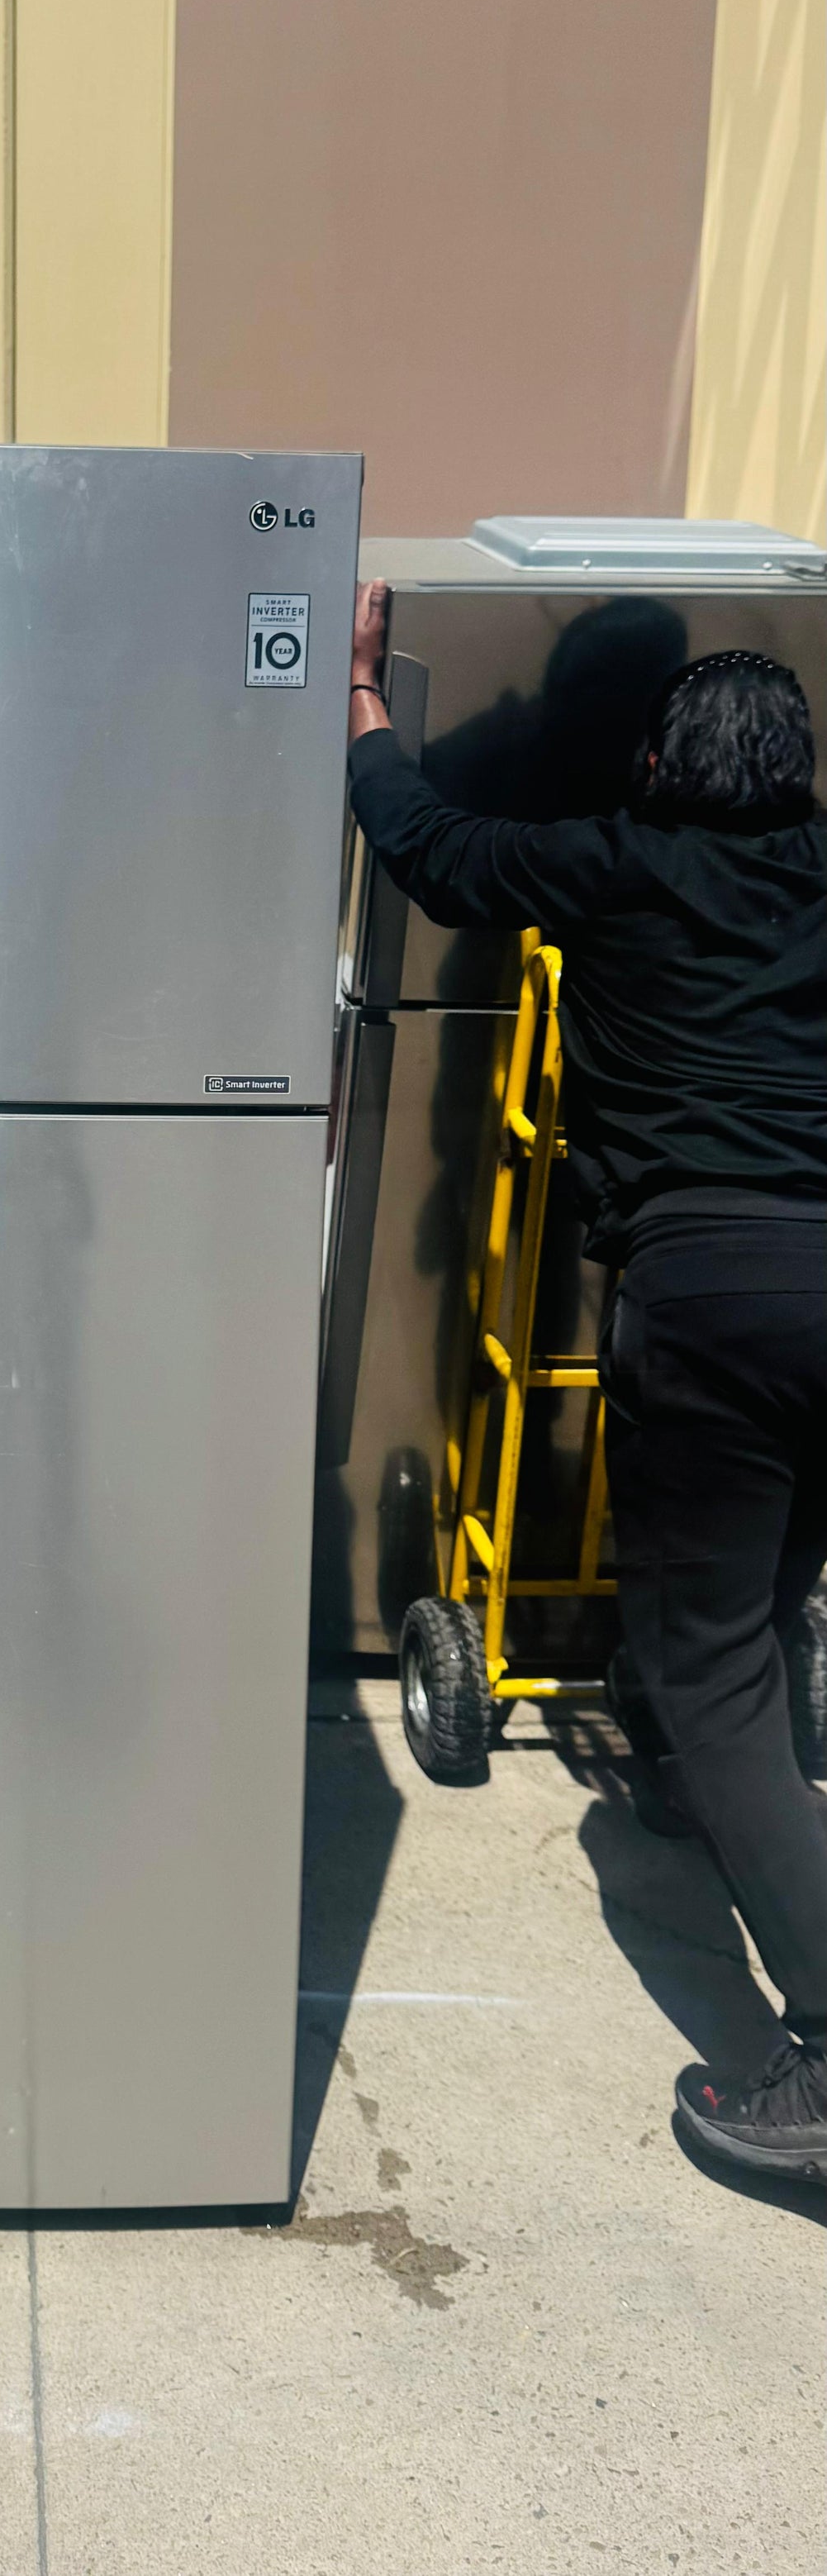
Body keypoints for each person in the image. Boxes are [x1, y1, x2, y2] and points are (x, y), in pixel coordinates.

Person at [348, 579, 827, 2183]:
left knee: (709, 1661)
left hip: (711, 1295)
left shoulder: (616, 862)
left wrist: (360, 703)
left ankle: (824, 2051)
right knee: (763, 1602)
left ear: (656, 763)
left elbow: (430, 846)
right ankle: (698, 1788)